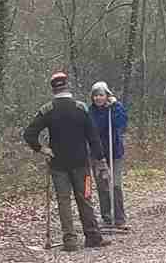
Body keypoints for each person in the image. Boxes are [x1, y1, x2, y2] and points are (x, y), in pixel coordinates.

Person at [23, 71, 111, 252]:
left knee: (63, 201)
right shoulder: (81, 108)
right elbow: (93, 136)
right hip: (82, 164)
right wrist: (101, 159)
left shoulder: (47, 109)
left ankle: (70, 241)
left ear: (53, 89)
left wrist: (42, 149)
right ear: (67, 86)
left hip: (58, 164)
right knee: (86, 198)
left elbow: (29, 134)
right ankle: (93, 237)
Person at [88, 81, 129, 230]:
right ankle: (107, 217)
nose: (98, 98)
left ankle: (119, 218)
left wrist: (116, 105)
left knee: (115, 185)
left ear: (107, 95)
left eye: (101, 95)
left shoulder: (114, 109)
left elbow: (121, 123)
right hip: (98, 155)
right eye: (95, 95)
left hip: (115, 153)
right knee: (103, 186)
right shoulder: (90, 112)